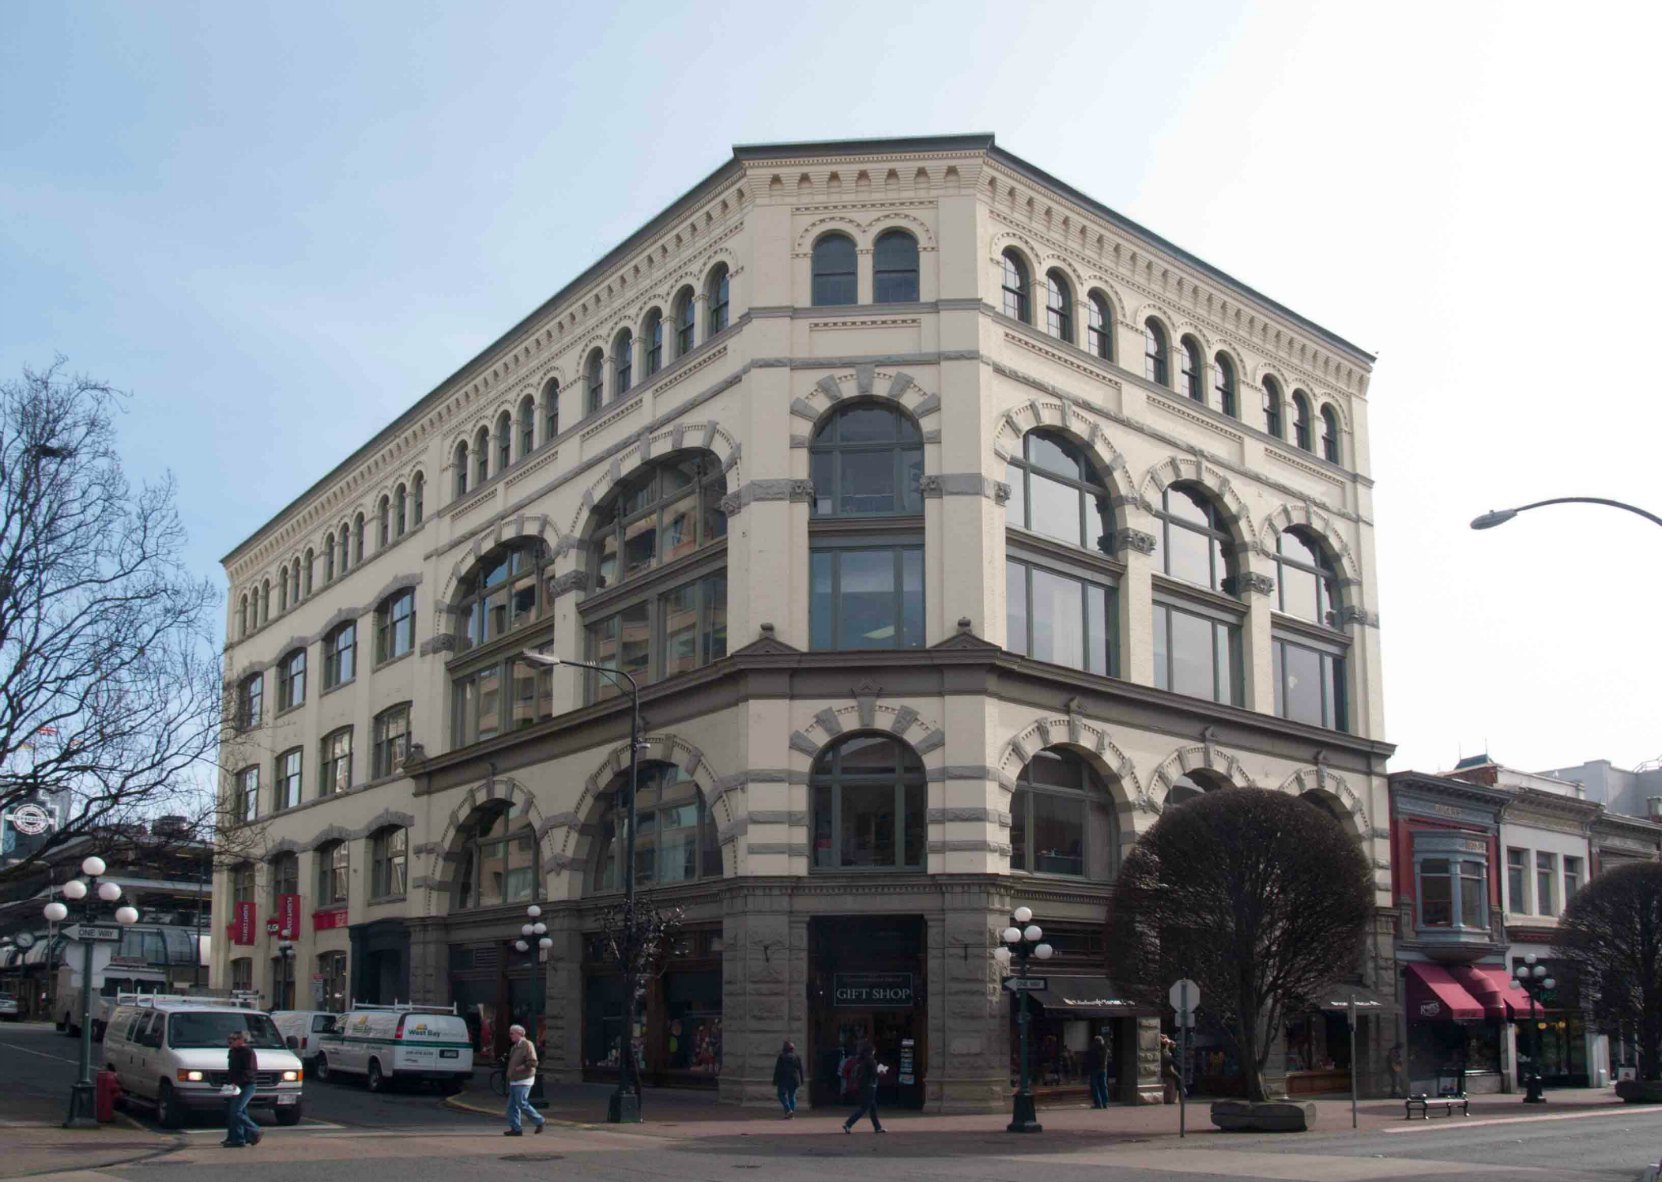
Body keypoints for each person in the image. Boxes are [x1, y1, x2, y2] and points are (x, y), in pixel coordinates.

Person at [503, 1024, 545, 1136]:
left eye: (512, 1033)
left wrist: (520, 1067)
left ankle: (539, 1121)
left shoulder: (527, 1044)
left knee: (521, 1103)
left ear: (520, 1034)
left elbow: (533, 1062)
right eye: (510, 1033)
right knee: (511, 1106)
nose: (510, 1035)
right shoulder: (515, 1047)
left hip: (524, 1079)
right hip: (514, 1079)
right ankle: (516, 1128)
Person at [222, 1029, 261, 1148]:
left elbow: (250, 1071)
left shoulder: (248, 1052)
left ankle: (255, 1130)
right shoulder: (233, 1051)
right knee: (236, 1111)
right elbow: (232, 1070)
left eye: (233, 1039)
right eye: (229, 1039)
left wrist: (237, 1083)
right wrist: (228, 1084)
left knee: (236, 1111)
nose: (230, 1042)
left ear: (242, 1040)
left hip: (247, 1085)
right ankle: (237, 1138)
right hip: (234, 1085)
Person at [842, 1041, 885, 1134]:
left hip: (863, 1086)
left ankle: (877, 1127)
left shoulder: (861, 1060)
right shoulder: (871, 1061)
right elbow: (874, 1074)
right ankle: (848, 1124)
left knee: (872, 1107)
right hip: (870, 1086)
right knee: (864, 1107)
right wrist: (881, 1072)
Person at [772, 1040, 804, 1118]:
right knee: (792, 1096)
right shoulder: (797, 1057)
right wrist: (802, 1079)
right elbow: (800, 1069)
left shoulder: (782, 1056)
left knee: (781, 1094)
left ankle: (788, 1109)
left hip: (783, 1079)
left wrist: (775, 1080)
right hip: (794, 1079)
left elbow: (778, 1069)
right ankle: (791, 1113)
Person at [1084, 1034, 1109, 1109]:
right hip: (1103, 1069)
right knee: (1103, 1086)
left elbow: (1089, 1059)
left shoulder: (1093, 1049)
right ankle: (1104, 1103)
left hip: (1094, 1069)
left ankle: (1098, 1103)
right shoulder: (1105, 1048)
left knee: (1095, 1086)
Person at [1159, 1035, 1182, 1105]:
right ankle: (1179, 1094)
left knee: (1178, 1075)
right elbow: (1168, 1060)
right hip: (1166, 1070)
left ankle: (1178, 1094)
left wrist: (1167, 1040)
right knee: (1178, 1078)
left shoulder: (1166, 1050)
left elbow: (1173, 1044)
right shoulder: (1163, 1051)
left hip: (1168, 1069)